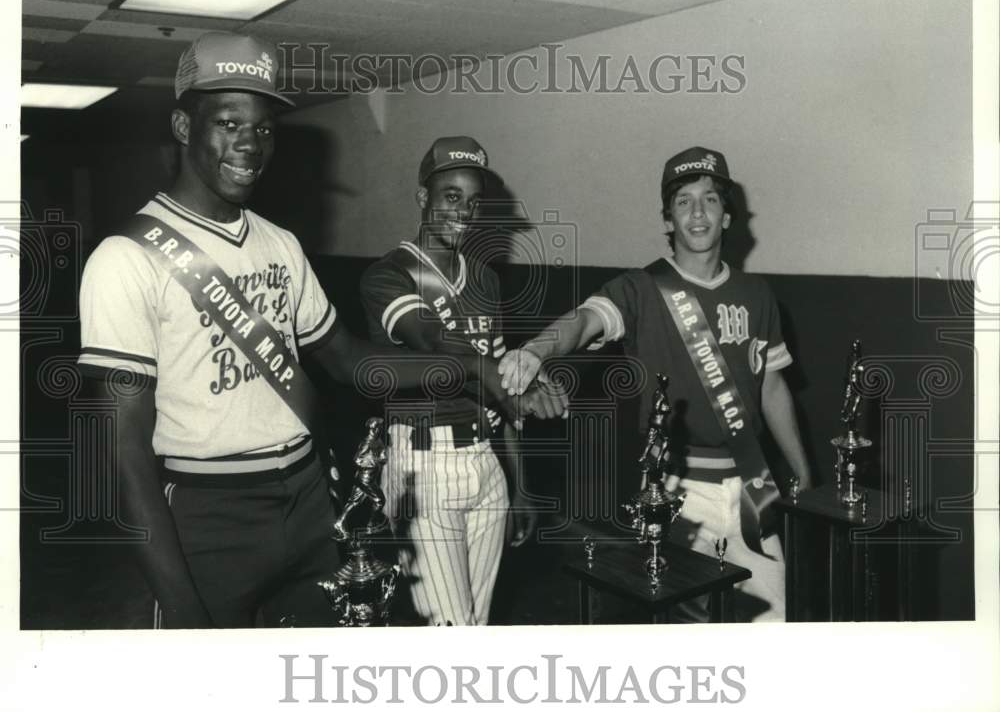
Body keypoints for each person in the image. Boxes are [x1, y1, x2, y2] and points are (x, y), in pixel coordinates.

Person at [77, 33, 535, 629]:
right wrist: (185, 612)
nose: (249, 144)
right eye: (228, 122)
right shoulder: (125, 258)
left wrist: (469, 367)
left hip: (308, 495)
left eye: (264, 128)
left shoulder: (280, 244)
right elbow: (123, 455)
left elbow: (346, 360)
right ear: (184, 127)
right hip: (209, 506)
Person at [498, 146, 811, 622]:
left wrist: (803, 471)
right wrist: (536, 349)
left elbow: (772, 387)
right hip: (677, 492)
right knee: (690, 625)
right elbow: (584, 322)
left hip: (753, 486)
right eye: (683, 202)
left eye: (709, 199)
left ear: (727, 216)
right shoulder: (640, 289)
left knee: (774, 620)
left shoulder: (757, 294)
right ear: (668, 220)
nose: (698, 212)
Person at [359, 136, 566, 626]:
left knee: (476, 625)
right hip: (422, 465)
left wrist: (521, 485)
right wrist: (513, 379)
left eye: (474, 202)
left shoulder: (486, 280)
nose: (464, 212)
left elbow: (500, 392)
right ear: (423, 198)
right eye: (451, 196)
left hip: (484, 461)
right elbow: (434, 342)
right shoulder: (390, 275)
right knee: (450, 634)